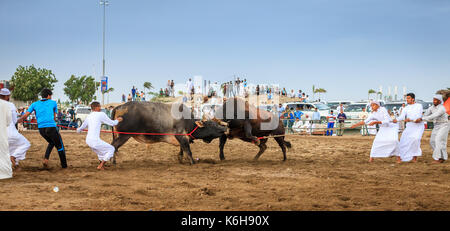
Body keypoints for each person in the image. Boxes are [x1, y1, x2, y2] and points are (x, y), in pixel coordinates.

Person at [17, 89, 68, 169]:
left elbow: (25, 115)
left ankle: (46, 159)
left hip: (41, 129)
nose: (51, 97)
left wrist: (18, 121)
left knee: (51, 142)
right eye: (51, 96)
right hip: (51, 127)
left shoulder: (34, 104)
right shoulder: (53, 103)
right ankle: (64, 166)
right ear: (48, 95)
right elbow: (54, 117)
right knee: (60, 146)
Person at [77, 101, 123, 170]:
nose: (100, 108)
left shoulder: (89, 116)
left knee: (101, 152)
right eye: (99, 106)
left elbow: (82, 127)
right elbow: (112, 123)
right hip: (94, 141)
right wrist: (118, 120)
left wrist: (78, 130)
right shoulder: (101, 114)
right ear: (96, 107)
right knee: (111, 149)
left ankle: (102, 165)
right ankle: (101, 165)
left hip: (88, 141)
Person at [0, 89, 31, 170]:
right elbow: (14, 120)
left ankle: (14, 164)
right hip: (10, 131)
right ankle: (13, 157)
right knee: (26, 144)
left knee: (11, 147)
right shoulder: (10, 105)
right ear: (6, 96)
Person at [393, 93, 424, 163]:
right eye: (406, 98)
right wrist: (396, 120)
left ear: (413, 99)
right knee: (403, 140)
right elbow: (402, 116)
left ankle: (414, 157)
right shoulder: (405, 108)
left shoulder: (419, 106)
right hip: (410, 126)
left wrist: (411, 119)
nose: (407, 100)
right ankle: (401, 157)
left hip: (418, 126)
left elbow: (419, 116)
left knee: (416, 140)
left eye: (408, 98)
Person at [421, 95, 449, 163]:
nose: (434, 101)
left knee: (438, 140)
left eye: (435, 100)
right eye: (433, 99)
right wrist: (420, 118)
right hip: (436, 125)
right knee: (432, 141)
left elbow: (434, 115)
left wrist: (422, 119)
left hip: (444, 125)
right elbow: (426, 114)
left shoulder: (442, 108)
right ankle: (442, 157)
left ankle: (437, 158)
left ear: (439, 101)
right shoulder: (431, 108)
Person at [0, 98, 12, 179]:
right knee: (3, 153)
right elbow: (8, 121)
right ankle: (4, 173)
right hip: (1, 133)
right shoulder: (5, 104)